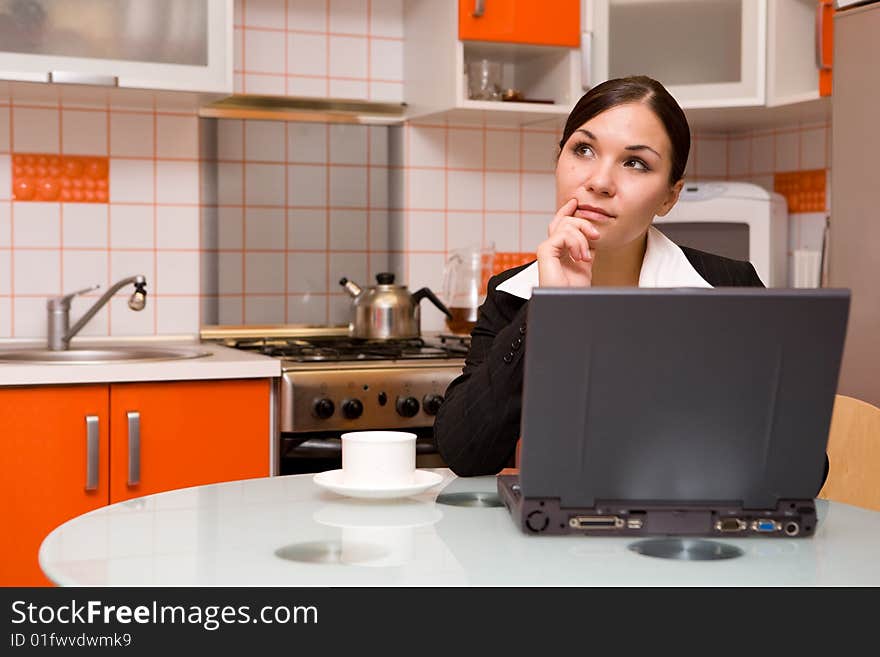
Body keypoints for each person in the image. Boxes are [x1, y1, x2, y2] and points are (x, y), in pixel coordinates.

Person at [433, 75, 772, 478]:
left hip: (686, 535)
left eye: (635, 163)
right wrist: (550, 309)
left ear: (669, 195)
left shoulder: (728, 289)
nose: (599, 181)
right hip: (552, 535)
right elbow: (464, 454)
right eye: (584, 150)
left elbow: (800, 466)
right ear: (557, 160)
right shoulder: (514, 295)